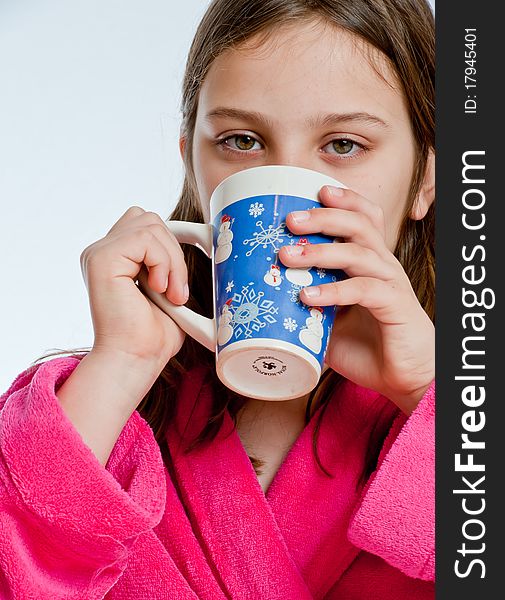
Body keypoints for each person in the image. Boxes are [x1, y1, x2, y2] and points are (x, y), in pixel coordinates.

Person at [0, 0, 435, 597]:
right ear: (194, 166)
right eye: (241, 139)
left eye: (344, 145)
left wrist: (436, 391)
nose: (290, 185)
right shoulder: (90, 411)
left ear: (427, 178)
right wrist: (120, 367)